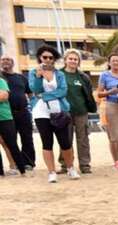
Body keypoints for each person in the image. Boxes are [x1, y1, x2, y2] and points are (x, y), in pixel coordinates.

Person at [29, 45, 78, 183]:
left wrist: (44, 96)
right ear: (40, 58)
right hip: (41, 111)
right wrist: (39, 77)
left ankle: (70, 168)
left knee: (65, 142)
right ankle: (51, 172)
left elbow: (63, 91)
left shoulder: (59, 74)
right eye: (45, 57)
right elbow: (35, 89)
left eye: (51, 57)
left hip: (59, 109)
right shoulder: (33, 72)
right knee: (47, 142)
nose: (48, 60)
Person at [58, 49, 96, 175]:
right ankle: (65, 165)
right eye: (70, 58)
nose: (73, 61)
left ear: (78, 61)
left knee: (83, 139)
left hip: (81, 111)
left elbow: (89, 93)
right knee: (65, 139)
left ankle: (85, 165)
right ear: (65, 60)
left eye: (75, 59)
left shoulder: (83, 77)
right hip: (64, 112)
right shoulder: (58, 75)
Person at [1, 55, 35, 170]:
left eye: (8, 59)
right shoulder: (0, 77)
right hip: (7, 114)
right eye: (3, 60)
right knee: (10, 140)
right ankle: (16, 163)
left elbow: (30, 93)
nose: (5, 61)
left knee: (27, 138)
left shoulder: (21, 77)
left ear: (13, 63)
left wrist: (32, 106)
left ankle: (28, 163)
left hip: (23, 112)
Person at [0, 69, 28, 177]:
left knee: (12, 144)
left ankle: (22, 170)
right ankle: (0, 173)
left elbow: (3, 96)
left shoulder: (1, 81)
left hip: (5, 117)